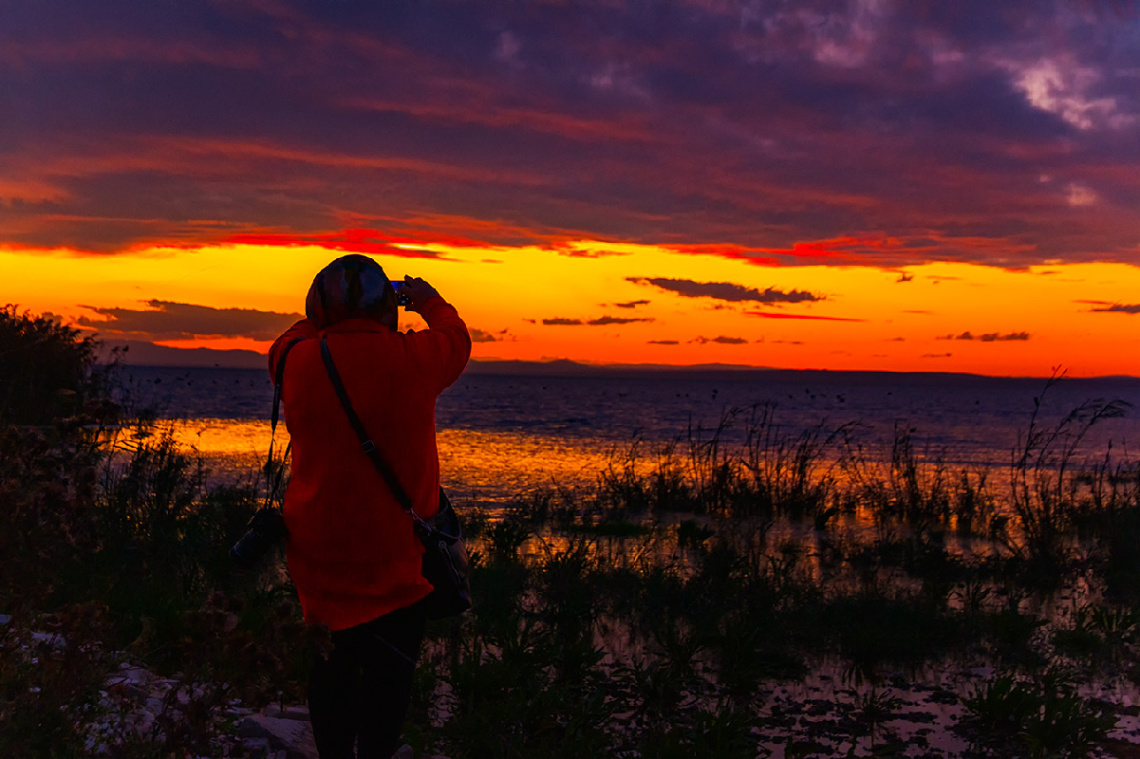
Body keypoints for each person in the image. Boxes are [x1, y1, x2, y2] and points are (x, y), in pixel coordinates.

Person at [267, 254, 471, 759]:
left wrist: (325, 313)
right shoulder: (417, 359)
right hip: (398, 560)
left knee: (329, 669)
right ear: (389, 309)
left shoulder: (295, 360)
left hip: (317, 556)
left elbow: (291, 338)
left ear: (318, 307)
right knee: (389, 679)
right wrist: (424, 297)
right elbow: (457, 335)